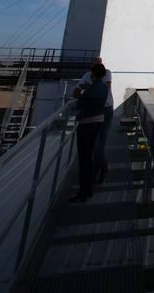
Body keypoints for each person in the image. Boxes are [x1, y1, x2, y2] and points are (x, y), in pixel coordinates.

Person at [69, 62, 108, 203]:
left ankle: (83, 192)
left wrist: (83, 91)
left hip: (86, 124)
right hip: (98, 121)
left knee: (84, 159)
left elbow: (80, 104)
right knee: (90, 156)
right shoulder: (104, 87)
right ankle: (88, 188)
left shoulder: (91, 89)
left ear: (92, 74)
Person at [74, 56, 114, 184]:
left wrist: (88, 89)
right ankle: (100, 169)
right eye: (96, 64)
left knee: (99, 143)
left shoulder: (106, 73)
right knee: (94, 145)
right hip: (92, 112)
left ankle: (98, 171)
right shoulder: (87, 76)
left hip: (105, 111)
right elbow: (76, 92)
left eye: (100, 63)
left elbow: (105, 88)